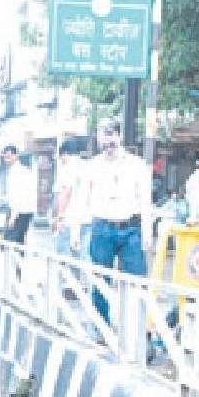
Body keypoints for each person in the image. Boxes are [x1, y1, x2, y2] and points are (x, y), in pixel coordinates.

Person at [82, 121, 154, 322]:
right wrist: (75, 231)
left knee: (136, 281)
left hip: (131, 229)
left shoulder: (136, 165)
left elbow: (145, 200)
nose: (107, 141)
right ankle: (100, 327)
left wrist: (147, 233)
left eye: (111, 135)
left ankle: (137, 329)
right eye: (103, 137)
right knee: (100, 280)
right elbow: (83, 198)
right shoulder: (92, 166)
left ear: (119, 136)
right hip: (101, 228)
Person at [51, 139, 93, 260]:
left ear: (65, 154)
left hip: (68, 220)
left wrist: (60, 217)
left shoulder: (67, 168)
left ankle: (65, 280)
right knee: (82, 256)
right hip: (86, 219)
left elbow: (66, 193)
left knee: (63, 257)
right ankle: (81, 279)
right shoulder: (87, 167)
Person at [0, 144, 37, 245]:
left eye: (9, 156)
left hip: (19, 211)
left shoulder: (17, 172)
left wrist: (13, 216)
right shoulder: (23, 170)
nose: (6, 159)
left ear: (16, 156)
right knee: (18, 241)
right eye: (5, 157)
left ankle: (16, 260)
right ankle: (19, 259)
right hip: (25, 211)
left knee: (10, 242)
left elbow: (18, 195)